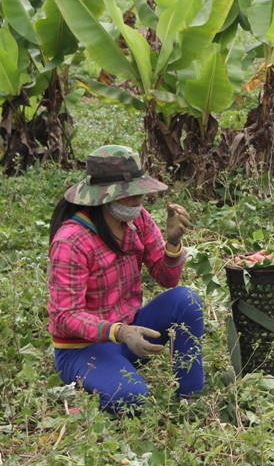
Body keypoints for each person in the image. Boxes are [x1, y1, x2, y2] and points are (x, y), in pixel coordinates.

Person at [48, 145, 200, 413]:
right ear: (102, 196)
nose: (138, 198)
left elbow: (167, 278)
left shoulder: (138, 219)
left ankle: (190, 398)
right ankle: (89, 395)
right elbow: (65, 315)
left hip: (129, 334)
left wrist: (173, 243)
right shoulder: (72, 240)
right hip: (83, 349)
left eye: (138, 190)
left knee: (185, 300)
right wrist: (119, 332)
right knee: (132, 399)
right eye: (128, 193)